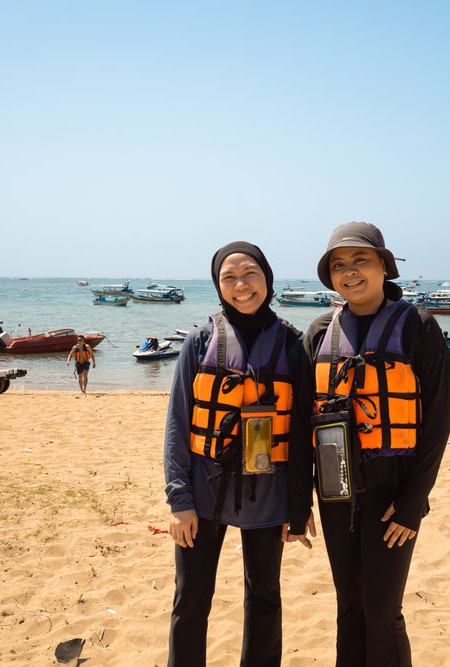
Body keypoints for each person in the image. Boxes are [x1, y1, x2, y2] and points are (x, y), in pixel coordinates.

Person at [288, 222, 450, 667]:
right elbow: (303, 424)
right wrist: (298, 501)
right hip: (335, 491)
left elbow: (438, 422)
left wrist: (412, 503)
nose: (350, 272)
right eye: (338, 265)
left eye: (361, 260)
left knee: (383, 610)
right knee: (349, 607)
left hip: (392, 493)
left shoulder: (418, 326)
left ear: (384, 266)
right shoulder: (320, 332)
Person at [163, 242, 313, 667]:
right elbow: (177, 422)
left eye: (250, 273)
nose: (241, 285)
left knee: (265, 596)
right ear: (217, 285)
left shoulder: (291, 344)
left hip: (269, 494)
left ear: (267, 278)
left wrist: (299, 505)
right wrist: (179, 501)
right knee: (190, 599)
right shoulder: (200, 341)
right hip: (204, 492)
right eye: (229, 277)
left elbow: (302, 435)